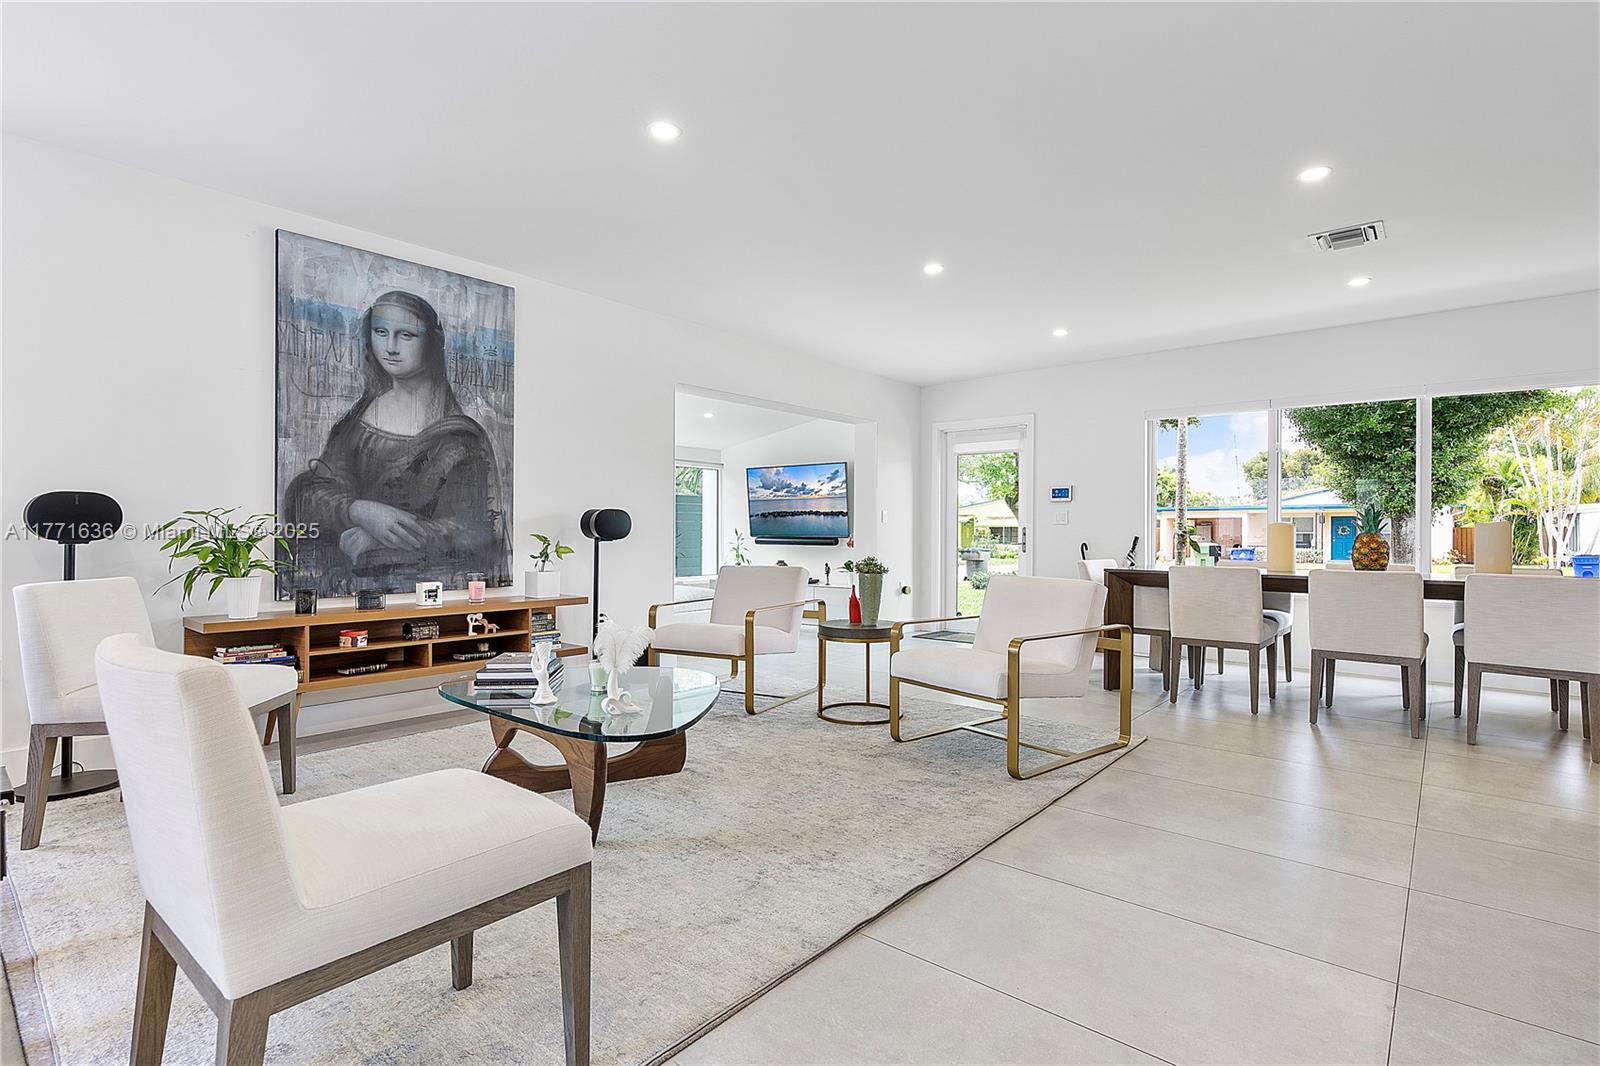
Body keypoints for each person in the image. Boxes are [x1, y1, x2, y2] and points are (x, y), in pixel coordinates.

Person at [283, 290, 506, 593]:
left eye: (406, 335)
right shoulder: (356, 421)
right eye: (380, 332)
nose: (390, 347)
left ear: (431, 343)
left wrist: (382, 539)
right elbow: (315, 490)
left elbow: (476, 530)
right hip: (347, 589)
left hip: (424, 588)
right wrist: (358, 510)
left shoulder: (461, 436)